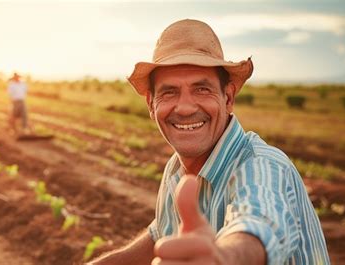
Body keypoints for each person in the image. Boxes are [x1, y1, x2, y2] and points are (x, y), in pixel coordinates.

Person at [88, 19, 329, 265]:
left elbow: (258, 225)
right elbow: (159, 237)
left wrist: (222, 257)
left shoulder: (263, 166)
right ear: (151, 104)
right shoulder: (176, 170)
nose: (184, 108)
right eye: (169, 92)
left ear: (228, 97)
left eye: (202, 89)